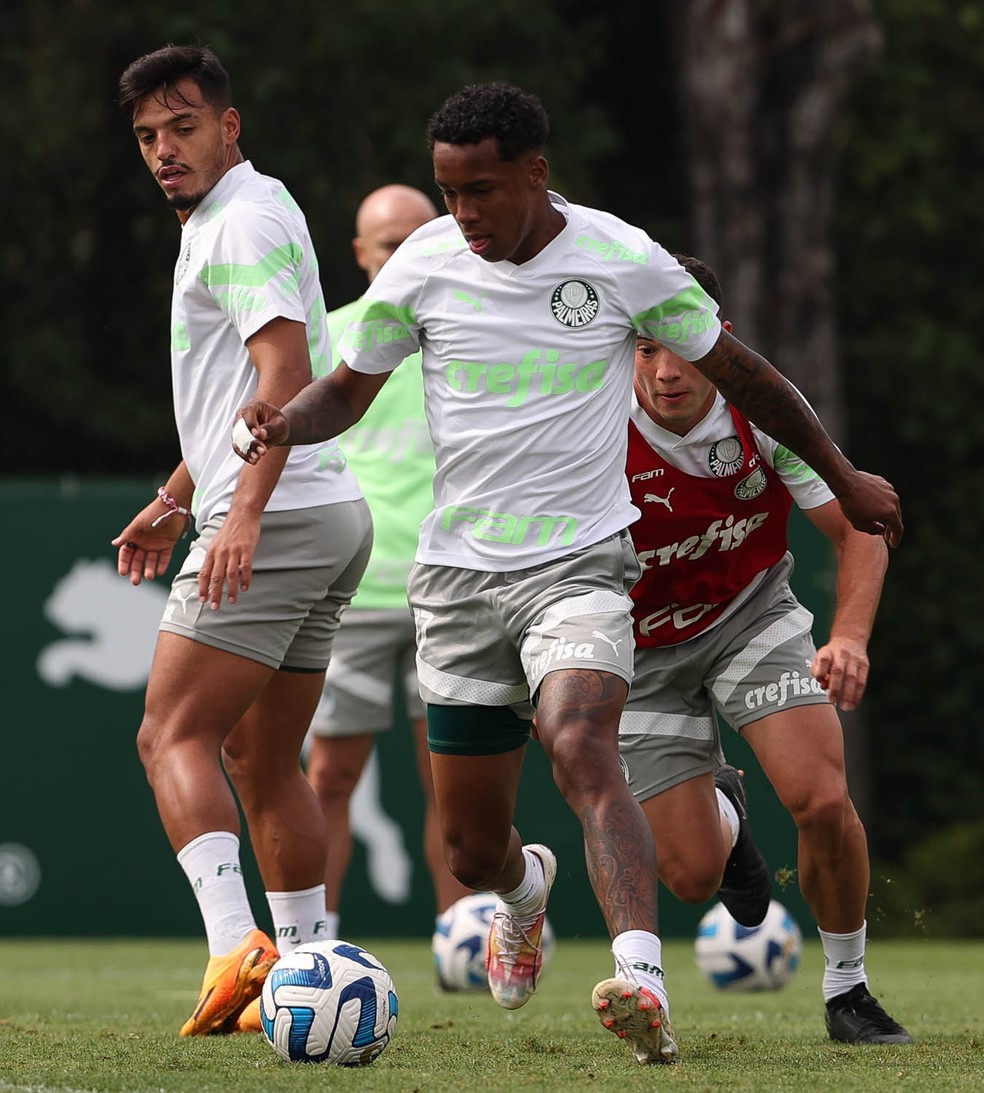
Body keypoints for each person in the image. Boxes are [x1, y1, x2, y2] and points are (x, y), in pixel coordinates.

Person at [232, 82, 902, 1065]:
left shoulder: (620, 259)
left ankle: (644, 983)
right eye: (449, 191)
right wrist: (288, 422)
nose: (464, 214)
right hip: (459, 583)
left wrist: (844, 475)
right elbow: (346, 390)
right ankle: (524, 892)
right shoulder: (421, 265)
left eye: (484, 191)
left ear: (536, 175)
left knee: (581, 739)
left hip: (586, 569)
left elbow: (749, 372)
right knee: (472, 847)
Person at [113, 45, 372, 1037]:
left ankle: (237, 948)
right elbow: (236, 392)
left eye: (183, 127)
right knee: (263, 761)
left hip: (283, 513)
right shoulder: (246, 210)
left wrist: (245, 514)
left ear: (230, 125)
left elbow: (283, 375)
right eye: (147, 137)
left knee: (167, 735)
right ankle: (311, 974)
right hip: (327, 514)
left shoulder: (240, 221)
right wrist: (179, 495)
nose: (164, 150)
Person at [621, 253, 911, 1045]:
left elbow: (862, 524)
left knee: (820, 799)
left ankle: (847, 988)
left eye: (683, 342)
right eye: (646, 347)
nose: (667, 368)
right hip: (640, 651)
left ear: (721, 336)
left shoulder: (766, 408)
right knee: (689, 876)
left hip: (751, 616)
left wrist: (848, 635)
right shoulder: (593, 418)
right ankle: (726, 809)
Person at [303, 184, 471, 941]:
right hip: (352, 592)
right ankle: (315, 941)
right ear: (361, 254)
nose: (399, 252)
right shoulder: (327, 338)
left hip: (451, 588)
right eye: (385, 242)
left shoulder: (467, 335)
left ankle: (463, 938)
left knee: (457, 783)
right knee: (329, 776)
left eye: (415, 236)